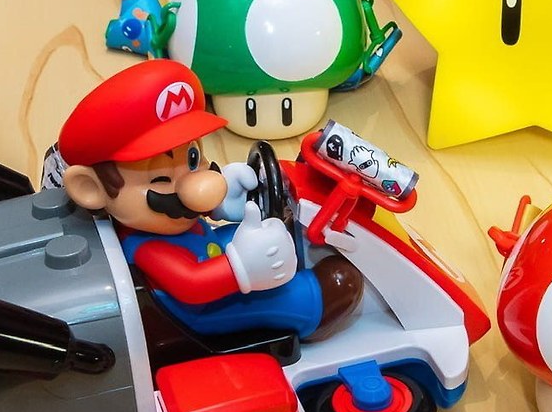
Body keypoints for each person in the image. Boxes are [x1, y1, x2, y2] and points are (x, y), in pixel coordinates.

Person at [58, 60, 362, 340]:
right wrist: (241, 267)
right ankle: (313, 307)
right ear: (91, 188)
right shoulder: (149, 247)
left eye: (193, 158)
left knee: (254, 231)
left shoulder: (164, 222)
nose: (197, 184)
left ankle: (286, 254)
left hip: (207, 249)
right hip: (200, 312)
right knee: (321, 288)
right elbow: (192, 284)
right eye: (161, 178)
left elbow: (200, 203)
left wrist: (223, 201)